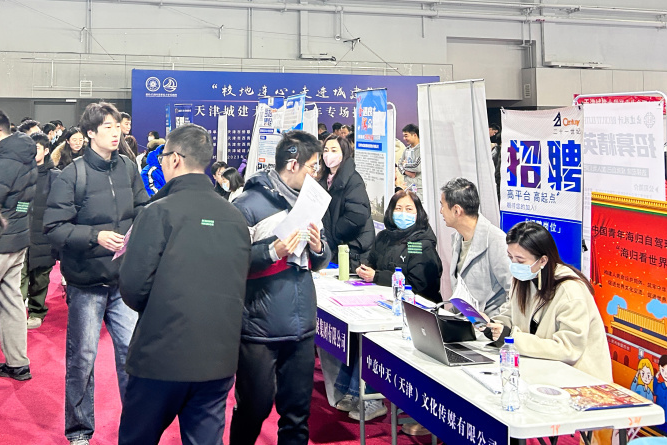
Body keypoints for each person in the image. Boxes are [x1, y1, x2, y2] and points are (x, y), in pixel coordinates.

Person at [117, 124, 251, 445]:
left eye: (163, 157)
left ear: (175, 159)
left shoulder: (157, 212)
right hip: (218, 359)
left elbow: (133, 287)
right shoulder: (235, 217)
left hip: (160, 356)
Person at [44, 102, 149, 445]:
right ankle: (79, 430)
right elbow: (54, 228)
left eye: (117, 126)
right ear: (90, 133)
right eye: (107, 127)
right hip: (86, 282)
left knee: (131, 354)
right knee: (82, 359)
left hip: (122, 281)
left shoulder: (128, 167)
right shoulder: (72, 174)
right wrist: (95, 236)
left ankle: (135, 427)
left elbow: (141, 207)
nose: (115, 133)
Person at [230, 130, 331, 445]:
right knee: (254, 409)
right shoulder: (247, 204)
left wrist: (318, 247)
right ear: (292, 163)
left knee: (297, 416)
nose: (316, 173)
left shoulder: (310, 202)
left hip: (302, 326)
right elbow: (232, 260)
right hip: (260, 329)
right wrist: (272, 251)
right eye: (312, 166)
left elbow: (322, 258)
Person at [484, 221, 613, 383]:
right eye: (510, 257)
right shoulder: (522, 279)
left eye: (520, 260)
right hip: (542, 371)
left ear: (543, 261)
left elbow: (568, 349)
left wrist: (512, 338)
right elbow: (510, 313)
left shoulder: (570, 290)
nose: (514, 265)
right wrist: (493, 325)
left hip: (579, 380)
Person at [0, 109, 37, 381]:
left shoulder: (6, 159)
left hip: (3, 239)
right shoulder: (24, 153)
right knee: (11, 300)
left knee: (11, 299)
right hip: (17, 236)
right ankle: (17, 363)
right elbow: (23, 201)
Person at [440, 178, 511, 316]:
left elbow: (516, 293)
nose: (441, 211)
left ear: (456, 210)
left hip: (490, 324)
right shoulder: (457, 238)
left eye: (443, 205)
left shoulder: (497, 241)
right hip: (464, 320)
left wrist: (497, 321)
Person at [358, 190, 443, 302]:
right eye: (398, 208)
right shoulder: (383, 237)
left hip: (416, 305)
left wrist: (377, 277)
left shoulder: (421, 244)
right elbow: (372, 262)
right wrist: (364, 270)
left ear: (418, 213)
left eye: (409, 209)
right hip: (384, 298)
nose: (403, 213)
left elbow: (417, 285)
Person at [21, 133, 60, 329]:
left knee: (40, 278)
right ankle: (16, 313)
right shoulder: (19, 174)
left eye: (36, 148)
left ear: (46, 151)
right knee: (18, 277)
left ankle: (37, 311)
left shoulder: (55, 177)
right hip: (21, 234)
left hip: (44, 235)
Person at [319, 134, 374, 272]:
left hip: (352, 247)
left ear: (344, 153)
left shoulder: (353, 180)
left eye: (334, 150)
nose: (329, 154)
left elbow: (357, 215)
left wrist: (335, 233)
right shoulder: (323, 179)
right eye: (326, 150)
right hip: (334, 247)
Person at [398, 123, 422, 197]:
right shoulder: (406, 150)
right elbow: (399, 164)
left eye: (406, 136)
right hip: (407, 186)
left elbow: (417, 167)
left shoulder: (422, 149)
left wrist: (405, 165)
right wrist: (405, 172)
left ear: (414, 135)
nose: (404, 138)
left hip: (419, 188)